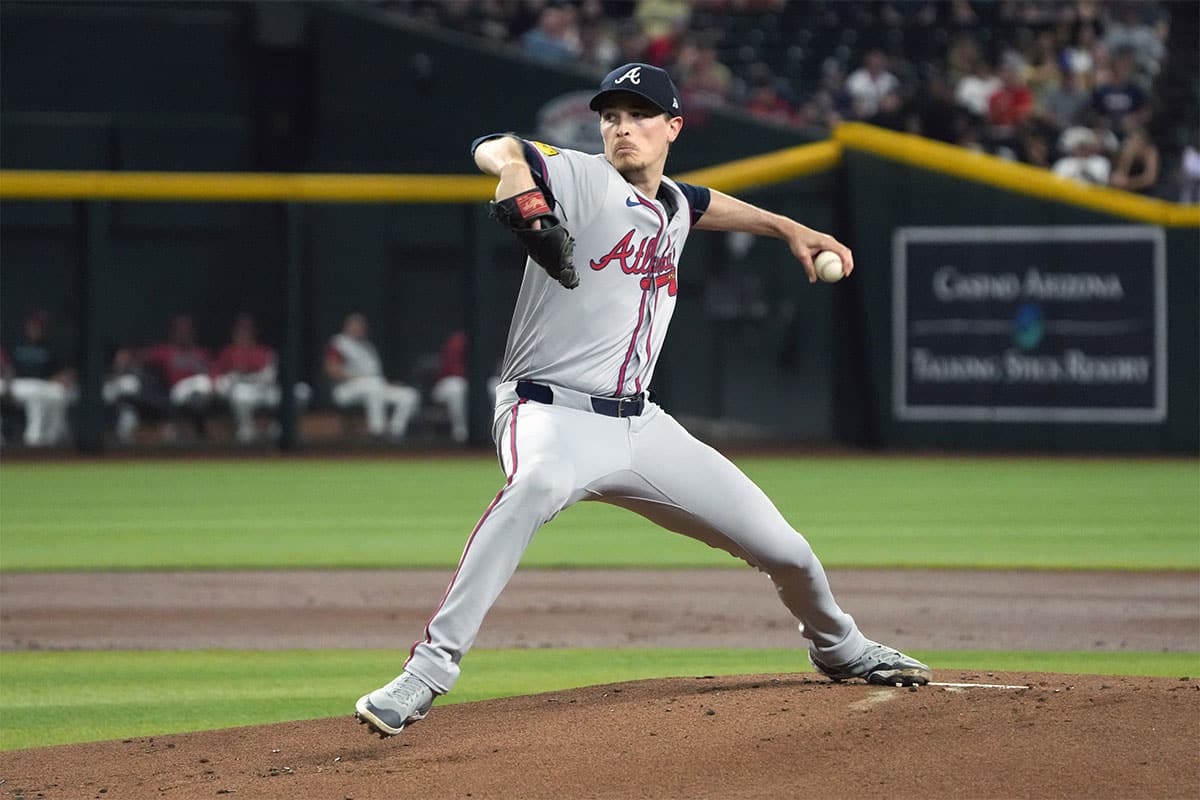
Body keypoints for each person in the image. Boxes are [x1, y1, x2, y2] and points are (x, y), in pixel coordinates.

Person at [355, 62, 932, 738]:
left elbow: (707, 203)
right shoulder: (579, 175)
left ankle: (841, 648)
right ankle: (426, 673)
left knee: (788, 549)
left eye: (638, 115)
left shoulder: (675, 205)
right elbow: (497, 145)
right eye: (610, 115)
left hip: (641, 426)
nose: (620, 126)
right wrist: (513, 171)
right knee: (534, 487)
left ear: (673, 128)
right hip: (548, 412)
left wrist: (787, 229)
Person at [212, 313, 311, 443]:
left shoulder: (265, 352)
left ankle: (283, 425)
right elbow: (216, 376)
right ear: (234, 333)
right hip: (247, 393)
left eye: (247, 331)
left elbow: (270, 376)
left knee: (303, 391)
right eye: (240, 331)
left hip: (267, 392)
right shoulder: (228, 352)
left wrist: (245, 374)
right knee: (240, 394)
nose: (244, 334)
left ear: (254, 332)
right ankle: (246, 428)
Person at [324, 312, 420, 440]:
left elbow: (375, 374)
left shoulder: (367, 346)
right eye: (355, 325)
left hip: (374, 387)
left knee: (409, 395)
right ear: (347, 326)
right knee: (372, 386)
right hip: (346, 389)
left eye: (361, 326)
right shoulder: (340, 343)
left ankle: (396, 432)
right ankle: (377, 433)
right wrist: (357, 377)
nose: (358, 329)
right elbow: (332, 370)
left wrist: (387, 384)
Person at [0, 310, 75, 447]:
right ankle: (31, 438)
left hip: (42, 385)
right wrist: (8, 384)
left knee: (53, 396)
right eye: (32, 326)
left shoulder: (51, 347)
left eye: (38, 327)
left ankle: (42, 440)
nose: (34, 329)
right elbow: (7, 368)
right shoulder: (17, 344)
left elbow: (65, 372)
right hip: (19, 384)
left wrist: (58, 378)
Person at [140, 314, 215, 441]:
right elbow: (142, 357)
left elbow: (214, 373)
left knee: (204, 384)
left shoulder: (201, 354)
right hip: (177, 392)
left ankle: (193, 426)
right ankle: (191, 426)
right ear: (174, 333)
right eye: (180, 331)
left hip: (198, 394)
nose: (183, 335)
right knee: (201, 382)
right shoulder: (165, 351)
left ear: (192, 333)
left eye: (186, 331)